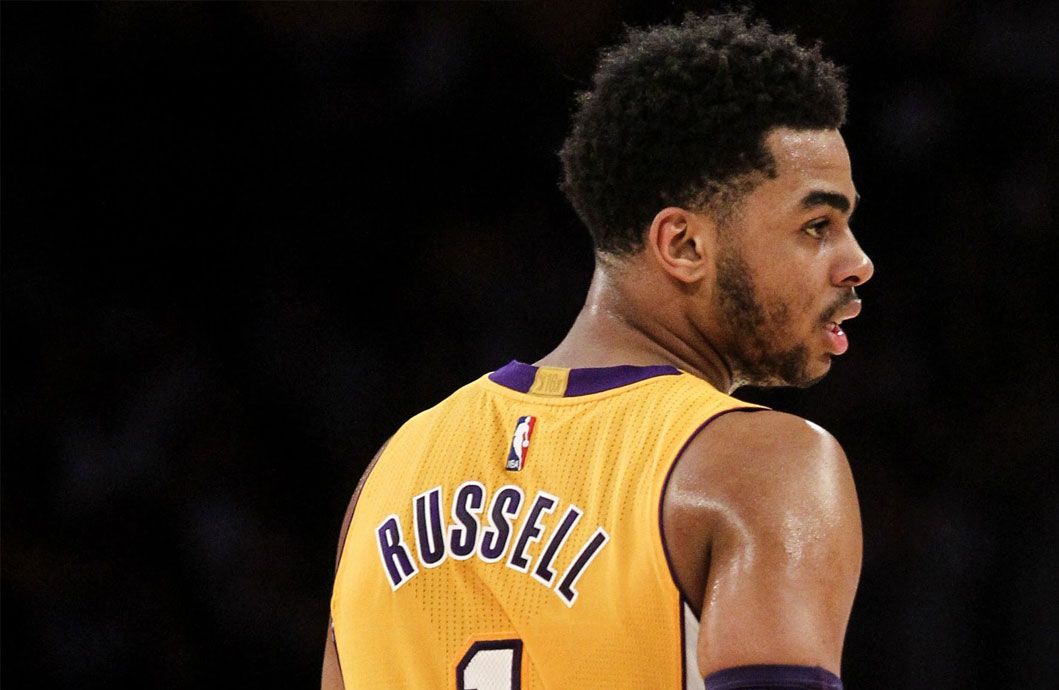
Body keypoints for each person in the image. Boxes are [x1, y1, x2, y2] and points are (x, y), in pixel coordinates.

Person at [323, 10, 873, 690]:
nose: (858, 262)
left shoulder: (390, 472)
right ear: (683, 245)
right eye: (817, 225)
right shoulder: (762, 467)